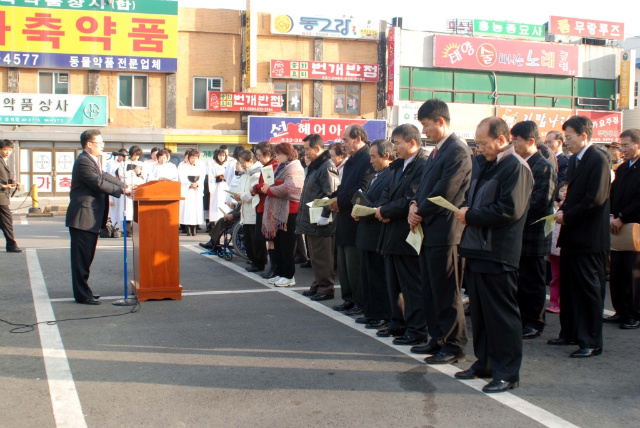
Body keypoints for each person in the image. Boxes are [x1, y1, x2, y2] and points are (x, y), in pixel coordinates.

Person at [454, 117, 533, 393]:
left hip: (499, 252)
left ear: (502, 139)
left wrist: (470, 215)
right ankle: (484, 362)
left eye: (485, 143)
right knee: (483, 314)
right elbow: (472, 199)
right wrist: (466, 209)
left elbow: (509, 210)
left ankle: (507, 372)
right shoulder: (486, 165)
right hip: (476, 249)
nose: (481, 148)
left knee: (502, 316)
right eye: (478, 143)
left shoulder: (516, 167)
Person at [408, 99, 472, 363]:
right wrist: (414, 204)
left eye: (426, 126)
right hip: (427, 229)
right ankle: (436, 338)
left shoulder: (457, 150)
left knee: (447, 291)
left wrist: (419, 211)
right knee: (430, 288)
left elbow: (446, 190)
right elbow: (423, 187)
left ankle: (454, 344)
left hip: (446, 231)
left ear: (440, 121)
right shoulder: (437, 151)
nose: (424, 132)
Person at [550, 115, 611, 358]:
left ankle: (591, 341)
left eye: (569, 137)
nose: (566, 143)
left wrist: (568, 215)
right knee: (570, 287)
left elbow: (595, 199)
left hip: (589, 237)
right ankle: (570, 333)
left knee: (588, 290)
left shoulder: (598, 159)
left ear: (583, 136)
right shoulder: (576, 161)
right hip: (573, 236)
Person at [375, 124, 429, 345]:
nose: (394, 147)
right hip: (391, 231)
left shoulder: (423, 165)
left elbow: (411, 198)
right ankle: (397, 322)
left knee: (411, 285)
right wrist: (380, 208)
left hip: (407, 232)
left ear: (412, 143)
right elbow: (386, 192)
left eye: (396, 143)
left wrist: (386, 211)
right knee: (393, 282)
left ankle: (416, 328)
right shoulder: (399, 166)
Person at [66, 130, 132, 305]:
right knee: (81, 259)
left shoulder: (91, 161)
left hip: (90, 218)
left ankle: (85, 291)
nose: (103, 145)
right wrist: (122, 191)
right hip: (83, 218)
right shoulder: (83, 162)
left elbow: (105, 176)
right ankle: (82, 294)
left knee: (87, 258)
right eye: (100, 142)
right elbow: (98, 183)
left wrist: (125, 185)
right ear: (89, 144)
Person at [511, 121, 556, 339]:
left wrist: (514, 211)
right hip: (518, 231)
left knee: (534, 280)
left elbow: (540, 202)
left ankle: (535, 322)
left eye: (516, 141)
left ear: (530, 141)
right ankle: (522, 319)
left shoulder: (543, 166)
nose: (513, 145)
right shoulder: (518, 163)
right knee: (520, 279)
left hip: (533, 233)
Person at [330, 125, 375, 315]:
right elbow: (344, 187)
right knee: (344, 263)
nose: (344, 144)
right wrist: (332, 197)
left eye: (346, 140)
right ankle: (349, 298)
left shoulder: (367, 159)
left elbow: (362, 189)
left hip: (356, 219)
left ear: (357, 139)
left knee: (355, 264)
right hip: (344, 218)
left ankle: (359, 301)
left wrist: (339, 200)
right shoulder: (350, 161)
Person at [354, 138, 395, 329]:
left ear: (386, 156)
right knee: (367, 277)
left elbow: (380, 203)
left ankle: (381, 314)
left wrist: (365, 209)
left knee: (378, 277)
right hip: (365, 230)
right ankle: (371, 312)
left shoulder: (390, 175)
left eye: (373, 156)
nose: (370, 161)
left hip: (376, 232)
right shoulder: (377, 176)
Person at [296, 134, 340, 301]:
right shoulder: (316, 166)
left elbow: (332, 194)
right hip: (311, 219)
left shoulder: (326, 166)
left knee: (323, 256)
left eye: (307, 149)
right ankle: (318, 284)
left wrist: (325, 215)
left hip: (321, 220)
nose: (305, 152)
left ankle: (326, 288)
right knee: (315, 256)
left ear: (317, 148)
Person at [607, 129, 640, 329]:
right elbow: (613, 194)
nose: (623, 150)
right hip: (617, 225)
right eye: (622, 146)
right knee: (617, 271)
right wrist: (612, 215)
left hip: (634, 226)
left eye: (627, 145)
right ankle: (620, 310)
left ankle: (634, 313)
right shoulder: (622, 168)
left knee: (633, 272)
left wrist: (623, 217)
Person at [261, 143, 304, 287]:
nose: (277, 157)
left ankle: (289, 275)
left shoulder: (295, 168)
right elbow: (280, 184)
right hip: (279, 212)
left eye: (279, 154)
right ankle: (280, 272)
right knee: (279, 244)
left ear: (287, 154)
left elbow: (290, 188)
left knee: (287, 245)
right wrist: (272, 187)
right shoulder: (283, 167)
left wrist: (270, 189)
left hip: (290, 212)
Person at [234, 150, 264, 272]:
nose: (241, 165)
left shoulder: (256, 174)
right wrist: (238, 197)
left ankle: (259, 262)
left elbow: (253, 193)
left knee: (255, 240)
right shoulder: (245, 174)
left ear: (250, 161)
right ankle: (253, 260)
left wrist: (241, 196)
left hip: (253, 210)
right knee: (248, 239)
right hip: (245, 212)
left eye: (243, 163)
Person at [547, 181, 568, 314]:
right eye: (561, 190)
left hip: (562, 247)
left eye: (567, 191)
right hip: (553, 247)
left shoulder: (568, 208)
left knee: (563, 277)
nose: (564, 193)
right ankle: (554, 302)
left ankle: (560, 303)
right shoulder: (552, 206)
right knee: (555, 277)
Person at [0, 139, 22, 253]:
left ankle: (11, 244)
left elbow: (4, 178)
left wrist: (13, 182)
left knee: (5, 223)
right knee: (7, 222)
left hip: (3, 197)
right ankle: (11, 245)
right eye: (5, 149)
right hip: (1, 198)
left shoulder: (4, 161)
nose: (7, 152)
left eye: (9, 150)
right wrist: (3, 187)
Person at [179, 150, 205, 236]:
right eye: (192, 158)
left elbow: (202, 177)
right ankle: (187, 228)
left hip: (196, 191)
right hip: (187, 190)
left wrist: (197, 184)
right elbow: (181, 177)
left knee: (195, 209)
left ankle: (194, 228)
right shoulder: (183, 166)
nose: (194, 160)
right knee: (187, 209)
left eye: (196, 158)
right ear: (189, 158)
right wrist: (188, 184)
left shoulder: (200, 166)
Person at [207, 149, 230, 226]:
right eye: (220, 155)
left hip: (225, 186)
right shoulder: (213, 165)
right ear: (217, 156)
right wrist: (217, 178)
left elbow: (231, 176)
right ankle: (216, 222)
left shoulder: (228, 165)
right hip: (217, 187)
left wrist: (225, 177)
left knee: (225, 204)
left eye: (223, 156)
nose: (221, 157)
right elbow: (210, 178)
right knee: (217, 204)